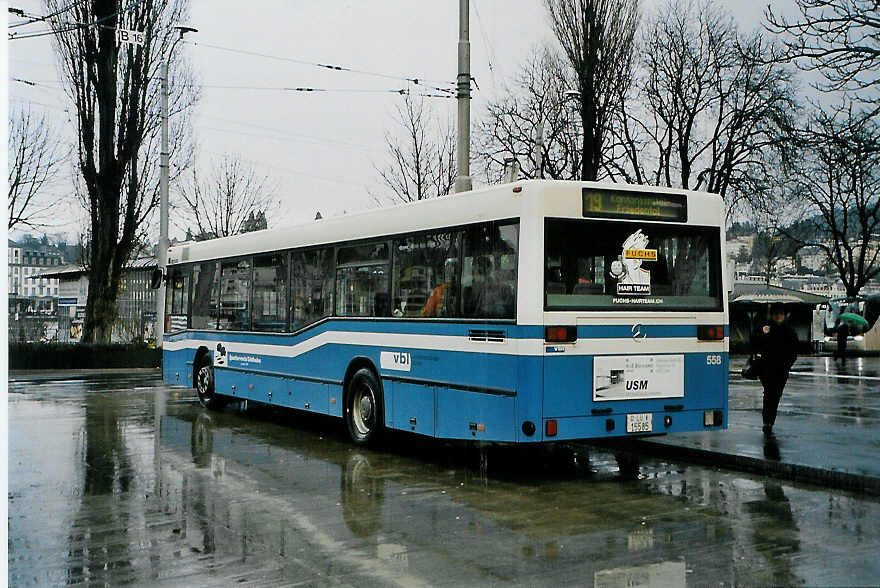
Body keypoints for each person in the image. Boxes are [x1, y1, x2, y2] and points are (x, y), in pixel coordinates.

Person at [752, 302, 799, 436]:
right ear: (772, 315)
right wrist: (764, 334)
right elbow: (755, 343)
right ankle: (767, 421)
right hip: (766, 367)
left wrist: (787, 364)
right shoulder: (765, 327)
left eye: (781, 314)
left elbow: (794, 350)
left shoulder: (789, 330)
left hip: (782, 369)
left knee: (776, 394)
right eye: (776, 314)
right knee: (769, 393)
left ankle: (770, 420)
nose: (778, 316)